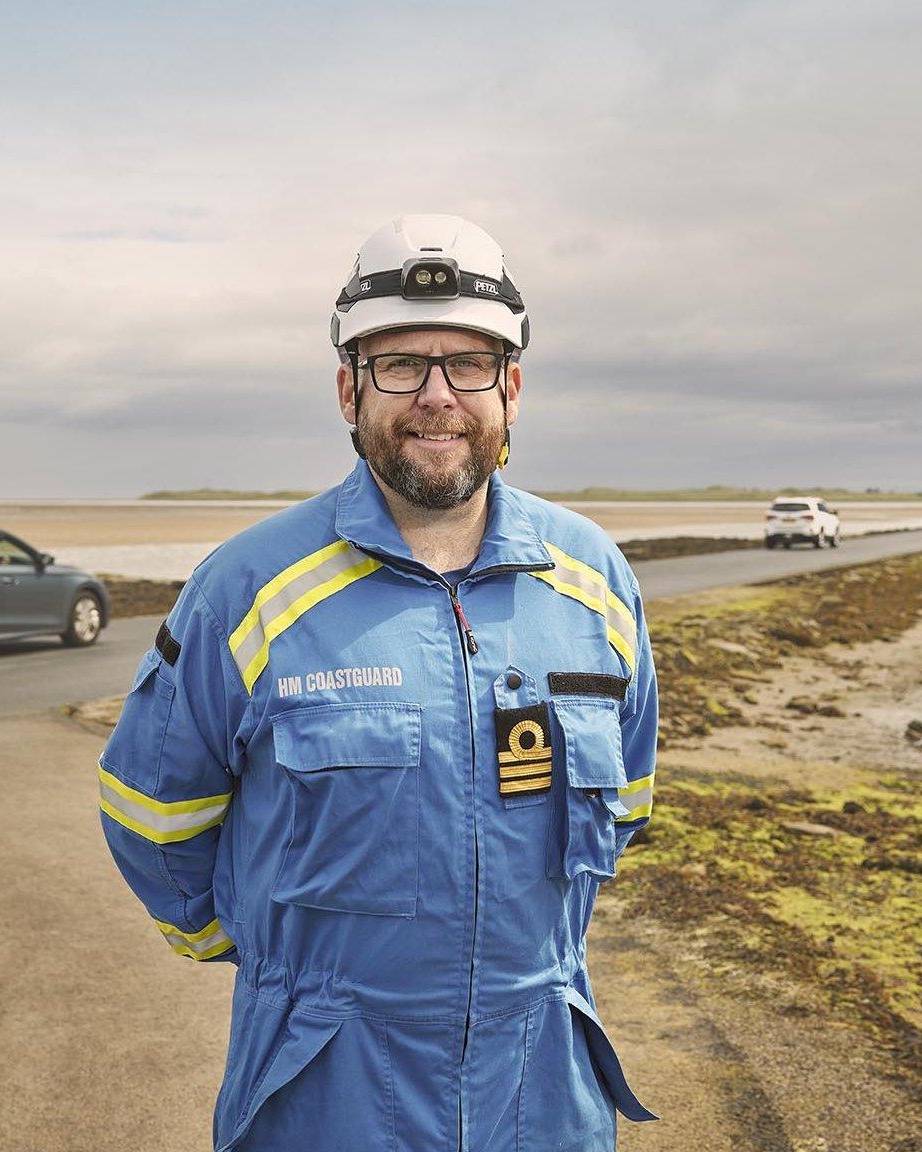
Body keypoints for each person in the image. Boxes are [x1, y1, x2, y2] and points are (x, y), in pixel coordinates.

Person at [99, 214, 659, 1151]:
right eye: (399, 365)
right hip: (325, 1092)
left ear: (511, 389)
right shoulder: (246, 589)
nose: (436, 396)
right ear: (348, 391)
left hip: (547, 1096)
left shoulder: (596, 581)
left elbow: (628, 802)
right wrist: (277, 966)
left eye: (469, 365)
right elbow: (151, 816)